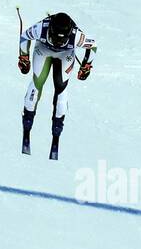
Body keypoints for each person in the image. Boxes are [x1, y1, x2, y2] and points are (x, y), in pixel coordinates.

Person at [18, 11, 94, 159]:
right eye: (55, 38)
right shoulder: (41, 28)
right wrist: (24, 57)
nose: (58, 42)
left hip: (65, 54)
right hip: (44, 50)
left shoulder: (77, 36)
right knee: (37, 83)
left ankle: (56, 132)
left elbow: (93, 45)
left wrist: (86, 65)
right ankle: (28, 128)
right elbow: (25, 36)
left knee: (61, 88)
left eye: (62, 39)